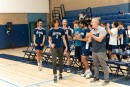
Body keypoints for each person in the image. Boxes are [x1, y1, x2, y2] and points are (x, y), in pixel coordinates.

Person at [88, 18, 109, 86]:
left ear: (96, 23)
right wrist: (89, 36)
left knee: (104, 66)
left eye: (92, 22)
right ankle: (96, 77)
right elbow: (89, 41)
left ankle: (106, 80)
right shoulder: (92, 30)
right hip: (94, 50)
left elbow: (100, 39)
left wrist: (92, 35)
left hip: (101, 50)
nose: (91, 23)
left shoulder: (102, 30)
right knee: (95, 65)